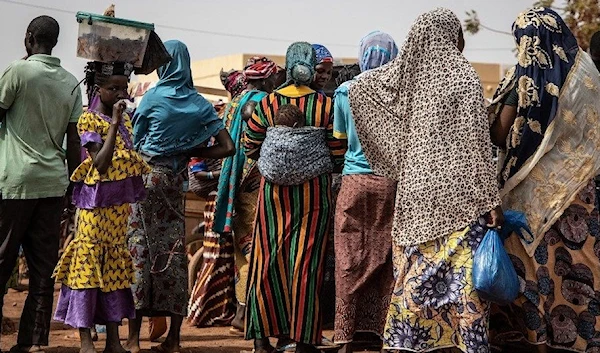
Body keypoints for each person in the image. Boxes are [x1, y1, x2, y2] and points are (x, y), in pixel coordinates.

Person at [348, 8, 504, 352]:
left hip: (417, 194)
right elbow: (477, 144)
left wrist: (399, 155)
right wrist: (492, 202)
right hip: (461, 196)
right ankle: (465, 344)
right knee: (464, 284)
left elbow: (358, 88)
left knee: (416, 279)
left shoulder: (405, 79)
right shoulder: (464, 77)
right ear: (452, 36)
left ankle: (410, 344)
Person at [487, 8, 600, 353]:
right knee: (581, 266)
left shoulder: (527, 81)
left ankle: (535, 339)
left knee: (535, 266)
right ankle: (582, 339)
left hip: (533, 195)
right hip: (584, 190)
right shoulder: (589, 72)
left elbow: (500, 132)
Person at [126, 40, 235, 353]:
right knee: (173, 253)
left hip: (145, 182)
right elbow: (228, 147)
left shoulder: (152, 99)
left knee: (140, 251)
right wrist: (192, 149)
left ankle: (133, 339)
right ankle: (174, 339)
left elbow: (137, 141)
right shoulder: (199, 104)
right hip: (175, 183)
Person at [244, 41, 345, 353]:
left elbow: (250, 146)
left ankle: (261, 340)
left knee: (265, 261)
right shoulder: (325, 106)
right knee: (305, 263)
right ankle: (303, 340)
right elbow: (337, 151)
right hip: (312, 196)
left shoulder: (266, 105)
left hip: (271, 195)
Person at [53, 61, 149, 353]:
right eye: (113, 88)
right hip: (94, 210)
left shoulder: (128, 122)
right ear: (98, 90)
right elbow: (101, 164)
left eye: (123, 87)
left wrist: (121, 122)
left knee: (114, 272)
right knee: (89, 267)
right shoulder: (89, 121)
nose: (121, 92)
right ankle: (85, 340)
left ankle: (114, 341)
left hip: (117, 210)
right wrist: (116, 123)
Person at [0, 15, 82, 352]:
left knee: (2, 260)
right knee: (43, 269)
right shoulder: (70, 81)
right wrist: (74, 189)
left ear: (29, 37)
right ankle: (33, 342)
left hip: (14, 183)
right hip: (53, 185)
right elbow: (74, 142)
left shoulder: (18, 72)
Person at [332, 30, 399, 353]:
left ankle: (345, 338)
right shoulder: (400, 91)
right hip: (390, 183)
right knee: (385, 258)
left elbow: (341, 135)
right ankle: (381, 334)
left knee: (348, 258)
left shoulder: (345, 91)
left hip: (354, 181)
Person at [212, 57, 279, 335]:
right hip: (258, 184)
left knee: (243, 251)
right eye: (274, 77)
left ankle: (241, 312)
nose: (277, 82)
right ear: (265, 79)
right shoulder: (265, 101)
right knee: (263, 250)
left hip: (234, 185)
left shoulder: (232, 104)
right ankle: (255, 314)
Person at [188, 70, 248, 328]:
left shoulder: (231, 117)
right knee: (216, 259)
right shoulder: (216, 120)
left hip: (226, 196)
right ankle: (204, 310)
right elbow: (196, 168)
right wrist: (223, 172)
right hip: (216, 198)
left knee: (227, 258)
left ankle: (224, 310)